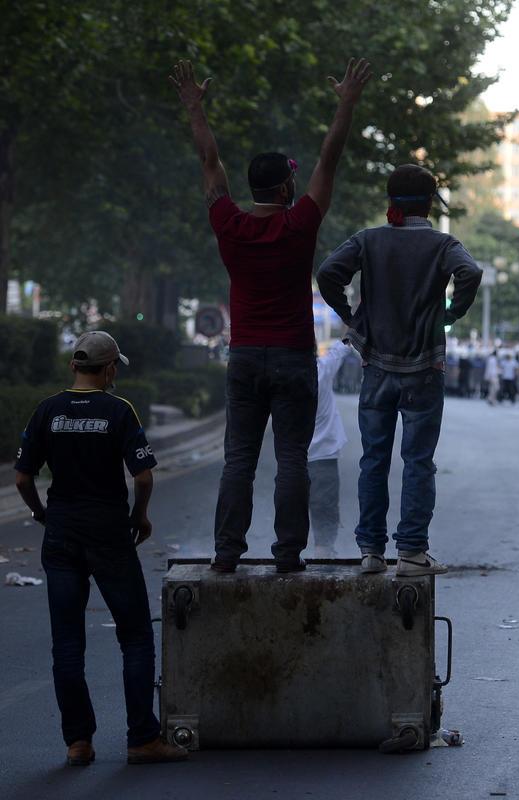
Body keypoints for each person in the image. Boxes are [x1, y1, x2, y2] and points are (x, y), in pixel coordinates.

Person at [169, 58, 371, 573]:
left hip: (244, 358)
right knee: (292, 460)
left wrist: (194, 107)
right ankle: (287, 555)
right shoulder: (299, 225)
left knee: (237, 458)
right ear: (284, 190)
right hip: (292, 359)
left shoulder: (228, 223)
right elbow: (330, 159)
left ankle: (226, 553)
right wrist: (346, 104)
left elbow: (209, 160)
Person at [14, 331, 187, 766]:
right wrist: (139, 516)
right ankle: (142, 738)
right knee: (135, 636)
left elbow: (22, 477)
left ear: (73, 366)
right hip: (109, 533)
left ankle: (78, 742)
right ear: (109, 369)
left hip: (61, 533)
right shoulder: (119, 410)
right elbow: (143, 476)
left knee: (67, 643)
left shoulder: (47, 410)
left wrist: (41, 513)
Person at [317, 164, 482, 576]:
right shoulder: (443, 244)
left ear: (391, 202)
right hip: (425, 368)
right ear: (429, 205)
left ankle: (371, 551)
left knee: (374, 459)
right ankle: (411, 553)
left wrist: (352, 317)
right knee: (418, 462)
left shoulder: (368, 240)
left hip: (376, 367)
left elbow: (328, 272)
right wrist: (450, 314)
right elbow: (471, 272)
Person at [308, 341, 350, 558]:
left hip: (292, 455)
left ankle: (288, 550)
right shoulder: (321, 369)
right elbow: (342, 347)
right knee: (325, 504)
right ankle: (323, 549)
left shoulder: (283, 377)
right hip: (324, 455)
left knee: (291, 503)